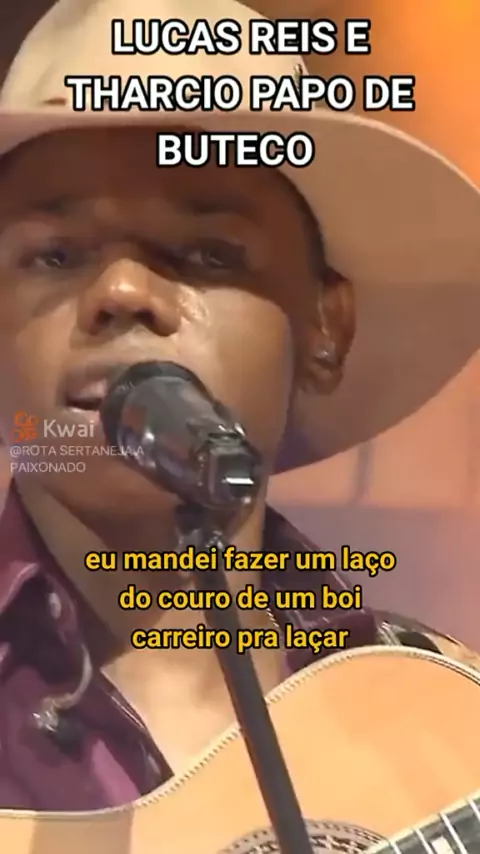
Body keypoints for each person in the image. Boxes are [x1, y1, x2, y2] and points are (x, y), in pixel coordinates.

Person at [0, 0, 480, 811]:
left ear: (325, 327)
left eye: (206, 254)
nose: (122, 290)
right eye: (56, 255)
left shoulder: (448, 726)